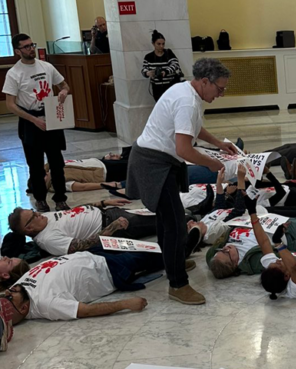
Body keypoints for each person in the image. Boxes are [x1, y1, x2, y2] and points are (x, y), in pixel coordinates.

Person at [126, 58, 237, 305]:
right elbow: (184, 149)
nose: (221, 94)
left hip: (161, 161)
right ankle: (178, 284)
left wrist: (218, 143)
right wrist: (212, 164)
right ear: (205, 81)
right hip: (153, 163)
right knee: (175, 224)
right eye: (220, 88)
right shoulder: (186, 100)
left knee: (168, 220)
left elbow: (192, 128)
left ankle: (171, 261)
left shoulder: (188, 92)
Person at [3, 248, 174, 322]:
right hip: (107, 269)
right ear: (23, 308)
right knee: (156, 253)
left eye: (4, 295)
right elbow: (86, 310)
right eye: (10, 297)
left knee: (141, 244)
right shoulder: (45, 305)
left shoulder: (18, 289)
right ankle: (181, 250)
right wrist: (125, 304)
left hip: (91, 254)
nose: (9, 291)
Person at [3, 34, 71, 212]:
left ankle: (60, 198)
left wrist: (63, 91)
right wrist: (33, 120)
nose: (31, 49)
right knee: (35, 165)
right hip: (30, 119)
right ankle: (40, 199)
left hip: (50, 116)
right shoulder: (14, 73)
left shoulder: (46, 66)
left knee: (57, 162)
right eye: (26, 47)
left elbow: (64, 85)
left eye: (31, 45)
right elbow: (10, 104)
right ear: (17, 51)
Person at [7, 199, 158, 256]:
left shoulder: (43, 220)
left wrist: (102, 203)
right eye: (33, 216)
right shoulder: (48, 239)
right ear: (29, 229)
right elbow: (84, 246)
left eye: (33, 211)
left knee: (156, 210)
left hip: (108, 213)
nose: (38, 214)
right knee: (161, 220)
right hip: (112, 225)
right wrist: (113, 227)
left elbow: (72, 212)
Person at [142, 30, 181, 102]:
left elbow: (175, 64)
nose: (161, 46)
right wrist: (148, 73)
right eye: (159, 44)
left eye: (163, 44)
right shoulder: (148, 57)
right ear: (153, 44)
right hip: (157, 88)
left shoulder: (168, 53)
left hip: (170, 85)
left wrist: (165, 72)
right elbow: (144, 69)